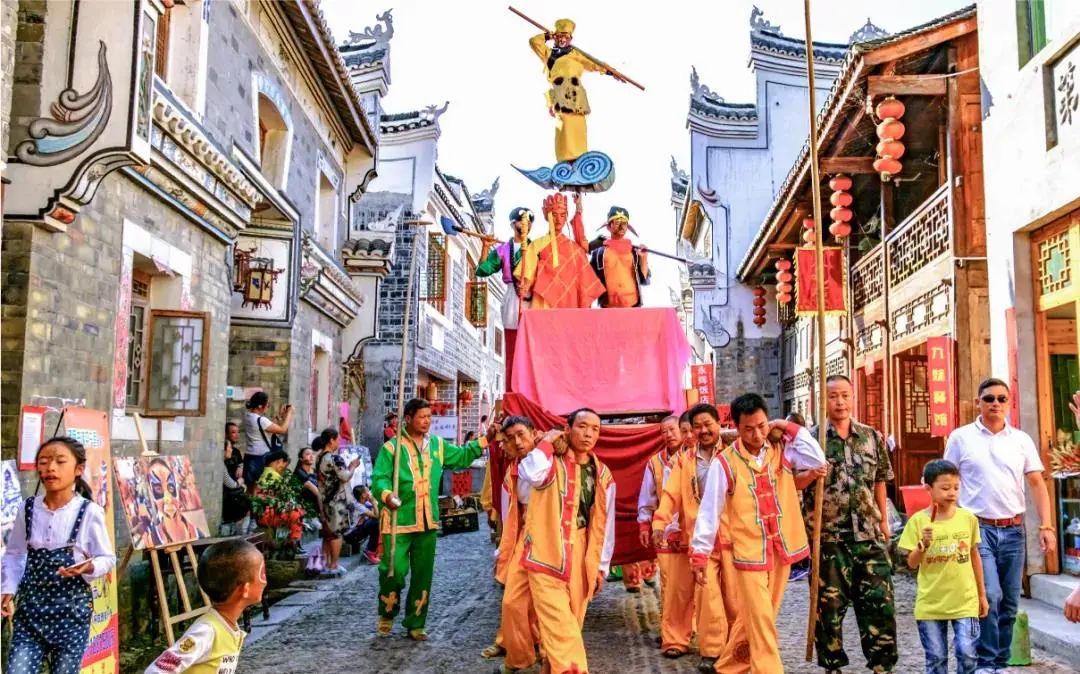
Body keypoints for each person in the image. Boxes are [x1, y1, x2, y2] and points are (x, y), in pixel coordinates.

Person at [692, 393, 826, 674]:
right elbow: (709, 511)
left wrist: (786, 426)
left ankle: (729, 665)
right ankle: (769, 669)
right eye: (749, 428)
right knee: (762, 618)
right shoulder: (725, 463)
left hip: (782, 545)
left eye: (762, 425)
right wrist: (700, 553)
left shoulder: (782, 450)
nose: (757, 434)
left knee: (759, 615)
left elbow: (817, 458)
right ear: (737, 429)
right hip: (748, 552)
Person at [944, 378, 1057, 672]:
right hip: (977, 529)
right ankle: (985, 662)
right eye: (989, 398)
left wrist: (1047, 527)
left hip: (1013, 530)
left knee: (1008, 602)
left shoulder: (1021, 440)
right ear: (978, 402)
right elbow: (945, 482)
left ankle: (1000, 662)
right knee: (989, 595)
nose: (995, 403)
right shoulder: (960, 438)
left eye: (1001, 399)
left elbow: (1037, 483)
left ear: (1010, 403)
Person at [373, 398, 494, 640]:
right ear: (408, 418)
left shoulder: (438, 445)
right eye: (422, 417)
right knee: (393, 570)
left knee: (422, 573)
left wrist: (484, 440)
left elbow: (461, 457)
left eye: (430, 417)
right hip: (399, 519)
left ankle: (416, 621)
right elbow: (379, 479)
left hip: (428, 520)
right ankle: (387, 611)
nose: (427, 421)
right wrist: (387, 495)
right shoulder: (392, 448)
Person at [804, 375, 896, 674]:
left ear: (853, 397)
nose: (839, 402)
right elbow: (792, 483)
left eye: (844, 395)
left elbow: (880, 479)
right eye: (833, 396)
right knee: (828, 609)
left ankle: (882, 665)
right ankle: (832, 666)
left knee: (879, 604)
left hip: (868, 534)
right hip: (828, 537)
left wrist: (883, 522)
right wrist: (811, 474)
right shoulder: (811, 440)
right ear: (823, 400)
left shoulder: (871, 437)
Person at [2, 437, 116, 674]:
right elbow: (14, 553)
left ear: (78, 469)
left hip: (72, 616)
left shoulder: (89, 512)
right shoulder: (28, 508)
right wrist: (8, 588)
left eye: (59, 462)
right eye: (43, 462)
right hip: (31, 614)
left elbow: (107, 558)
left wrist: (87, 567)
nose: (50, 468)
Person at [517, 408, 615, 674]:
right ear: (568, 428)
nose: (588, 434)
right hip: (546, 553)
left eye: (595, 429)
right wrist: (547, 442)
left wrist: (602, 566)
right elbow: (529, 473)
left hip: (584, 553)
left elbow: (607, 522)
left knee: (572, 624)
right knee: (563, 629)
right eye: (582, 426)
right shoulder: (548, 462)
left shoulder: (602, 473)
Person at [652, 404, 728, 672]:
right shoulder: (684, 460)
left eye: (708, 424)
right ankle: (710, 650)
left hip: (731, 537)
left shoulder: (732, 453)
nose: (704, 430)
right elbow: (671, 494)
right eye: (698, 426)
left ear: (719, 423)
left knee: (732, 597)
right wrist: (660, 521)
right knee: (702, 594)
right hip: (697, 539)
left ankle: (734, 648)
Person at [898, 459, 988, 674]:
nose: (952, 493)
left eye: (956, 487)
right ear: (928, 488)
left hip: (965, 601)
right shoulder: (918, 522)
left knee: (967, 653)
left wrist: (982, 595)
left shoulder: (968, 519)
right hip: (931, 603)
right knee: (936, 658)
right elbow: (911, 563)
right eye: (945, 488)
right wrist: (923, 546)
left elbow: (974, 555)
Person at [144, 539, 266, 673]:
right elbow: (157, 670)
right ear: (245, 589)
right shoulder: (206, 631)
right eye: (262, 574)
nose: (265, 581)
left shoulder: (227, 627)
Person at [527, 18, 627, 162]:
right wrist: (548, 35)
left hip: (575, 93)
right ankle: (564, 159)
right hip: (559, 92)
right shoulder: (548, 54)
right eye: (560, 36)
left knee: (578, 125)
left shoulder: (576, 55)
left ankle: (580, 158)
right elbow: (533, 42)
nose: (562, 40)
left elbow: (595, 64)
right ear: (556, 37)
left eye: (565, 37)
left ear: (570, 39)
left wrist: (611, 72)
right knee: (564, 126)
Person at [490, 416, 543, 673]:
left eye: (522, 435)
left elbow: (535, 475)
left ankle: (544, 647)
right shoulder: (512, 470)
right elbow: (508, 511)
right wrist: (503, 546)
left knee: (545, 599)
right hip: (525, 535)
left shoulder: (549, 461)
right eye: (511, 438)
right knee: (512, 598)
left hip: (552, 535)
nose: (518, 442)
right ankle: (519, 653)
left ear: (534, 432)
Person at [638, 415, 693, 659]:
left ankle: (692, 629)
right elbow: (647, 497)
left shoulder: (694, 458)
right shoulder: (655, 463)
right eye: (664, 431)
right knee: (670, 585)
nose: (668, 435)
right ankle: (671, 632)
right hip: (666, 531)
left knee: (699, 584)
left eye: (672, 430)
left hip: (692, 530)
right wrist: (644, 524)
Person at [518, 192, 605, 310]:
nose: (558, 220)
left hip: (571, 303)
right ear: (546, 216)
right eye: (554, 215)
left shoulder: (575, 249)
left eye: (562, 215)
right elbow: (526, 276)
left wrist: (578, 208)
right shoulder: (536, 245)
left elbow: (584, 280)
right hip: (544, 303)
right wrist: (525, 284)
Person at [476, 208, 533, 331]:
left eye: (528, 222)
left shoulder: (536, 248)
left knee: (531, 340)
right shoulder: (502, 250)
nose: (525, 224)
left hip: (532, 296)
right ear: (512, 224)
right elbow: (483, 269)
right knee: (512, 336)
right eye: (521, 221)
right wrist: (485, 247)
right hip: (512, 294)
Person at [316, 428, 359, 577]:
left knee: (328, 534)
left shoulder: (319, 457)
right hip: (338, 501)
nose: (339, 442)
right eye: (337, 439)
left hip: (324, 498)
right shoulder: (335, 458)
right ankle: (333, 564)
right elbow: (345, 476)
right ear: (331, 440)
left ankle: (327, 563)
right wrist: (353, 466)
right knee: (337, 533)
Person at [588, 206, 651, 308]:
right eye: (617, 223)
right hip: (608, 307)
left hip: (632, 305)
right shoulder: (599, 253)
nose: (622, 227)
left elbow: (643, 279)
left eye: (624, 223)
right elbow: (589, 283)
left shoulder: (634, 252)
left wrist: (644, 258)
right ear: (609, 226)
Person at [251, 450, 303, 549]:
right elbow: (288, 497)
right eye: (284, 464)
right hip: (269, 515)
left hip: (263, 514)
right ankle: (294, 543)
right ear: (279, 462)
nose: (284, 467)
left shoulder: (265, 474)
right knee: (297, 513)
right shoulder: (274, 477)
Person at [243, 392, 293, 490]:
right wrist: (289, 414)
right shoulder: (261, 420)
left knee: (251, 488)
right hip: (261, 456)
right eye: (267, 405)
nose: (268, 407)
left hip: (249, 455)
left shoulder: (248, 416)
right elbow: (282, 430)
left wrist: (282, 416)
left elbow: (269, 429)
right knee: (261, 488)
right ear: (260, 406)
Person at [221, 422, 250, 537]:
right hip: (230, 490)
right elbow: (230, 483)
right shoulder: (221, 463)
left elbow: (241, 464)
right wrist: (240, 483)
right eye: (233, 432)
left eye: (238, 432)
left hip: (235, 487)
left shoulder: (236, 452)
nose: (237, 435)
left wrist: (240, 467)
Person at [345, 486, 381, 565]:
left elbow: (376, 511)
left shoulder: (363, 502)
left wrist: (373, 505)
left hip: (356, 530)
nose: (370, 493)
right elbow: (376, 515)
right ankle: (370, 551)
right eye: (368, 491)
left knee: (373, 521)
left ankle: (374, 550)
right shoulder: (358, 505)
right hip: (350, 535)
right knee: (376, 523)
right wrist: (374, 502)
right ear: (363, 495)